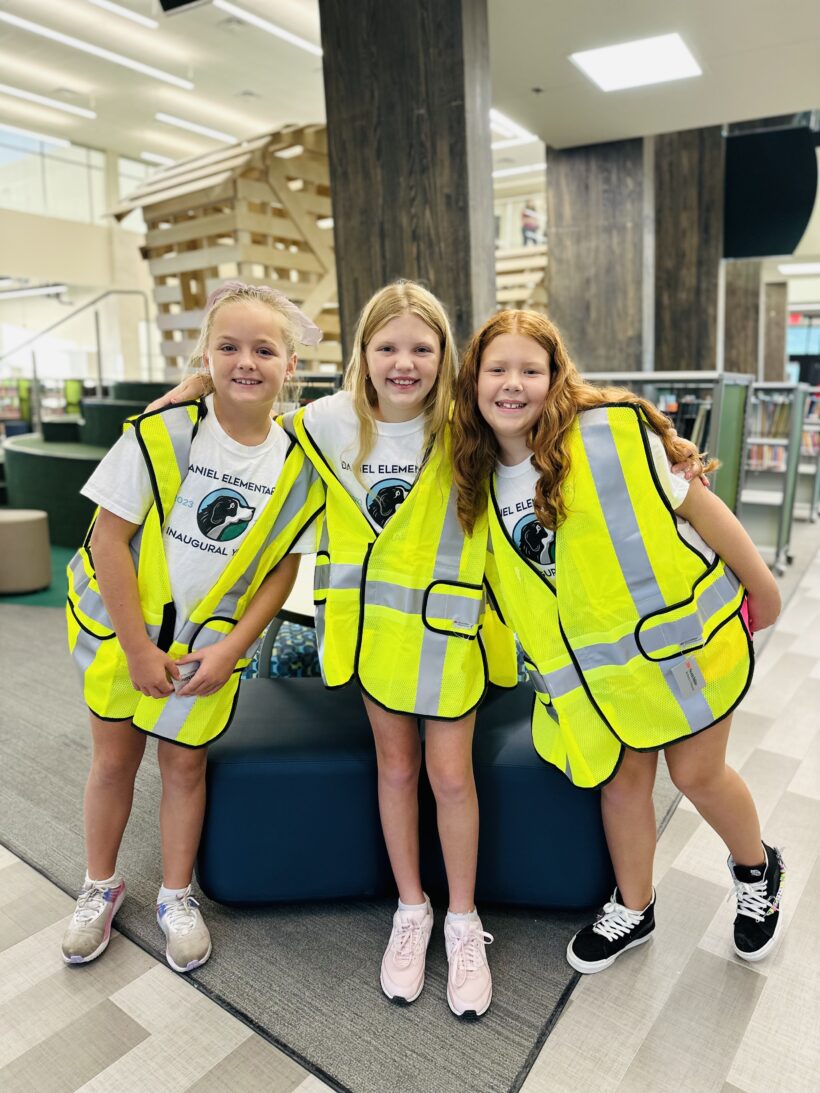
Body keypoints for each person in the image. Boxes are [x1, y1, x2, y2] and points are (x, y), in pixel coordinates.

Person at [151, 281, 516, 1019]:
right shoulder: (327, 423)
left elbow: (552, 413)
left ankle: (464, 920)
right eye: (387, 347)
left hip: (449, 638)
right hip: (374, 638)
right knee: (395, 766)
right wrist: (194, 382)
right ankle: (411, 909)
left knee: (451, 777)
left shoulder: (467, 425)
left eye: (421, 347)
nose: (403, 362)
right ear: (364, 354)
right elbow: (249, 409)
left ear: (445, 355)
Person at [451, 308, 786, 974]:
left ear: (557, 377)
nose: (512, 383)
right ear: (473, 381)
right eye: (497, 369)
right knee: (623, 786)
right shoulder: (475, 478)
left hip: (677, 650)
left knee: (696, 774)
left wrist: (761, 586)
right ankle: (635, 906)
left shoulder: (605, 439)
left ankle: (758, 869)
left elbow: (697, 505)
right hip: (600, 677)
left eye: (530, 369)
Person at [62, 282, 325, 973]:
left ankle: (176, 895)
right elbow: (105, 542)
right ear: (204, 356)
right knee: (114, 761)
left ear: (288, 366)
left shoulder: (300, 465)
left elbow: (281, 569)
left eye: (265, 349)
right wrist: (137, 647)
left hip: (208, 654)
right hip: (122, 640)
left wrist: (236, 646)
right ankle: (100, 885)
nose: (247, 361)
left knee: (184, 767)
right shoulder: (162, 432)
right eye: (229, 346)